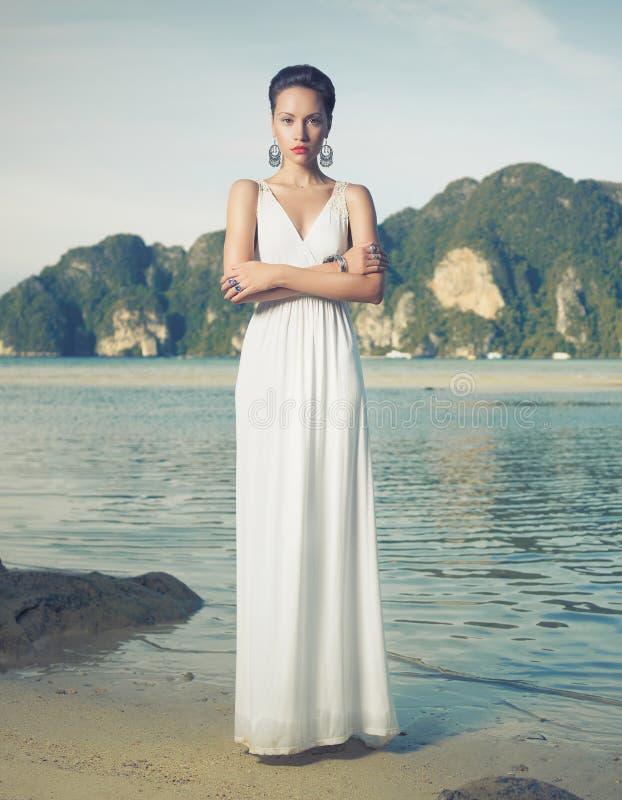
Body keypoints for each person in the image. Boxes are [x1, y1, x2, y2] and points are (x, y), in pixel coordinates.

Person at [218, 64, 401, 757]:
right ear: (272, 122)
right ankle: (278, 716)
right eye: (288, 119)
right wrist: (332, 270)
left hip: (333, 366)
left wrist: (279, 273)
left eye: (314, 118)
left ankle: (337, 712)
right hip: (269, 369)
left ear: (330, 122)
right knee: (278, 524)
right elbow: (238, 284)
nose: (301, 132)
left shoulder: (355, 195)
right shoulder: (247, 192)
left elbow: (373, 289)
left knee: (334, 522)